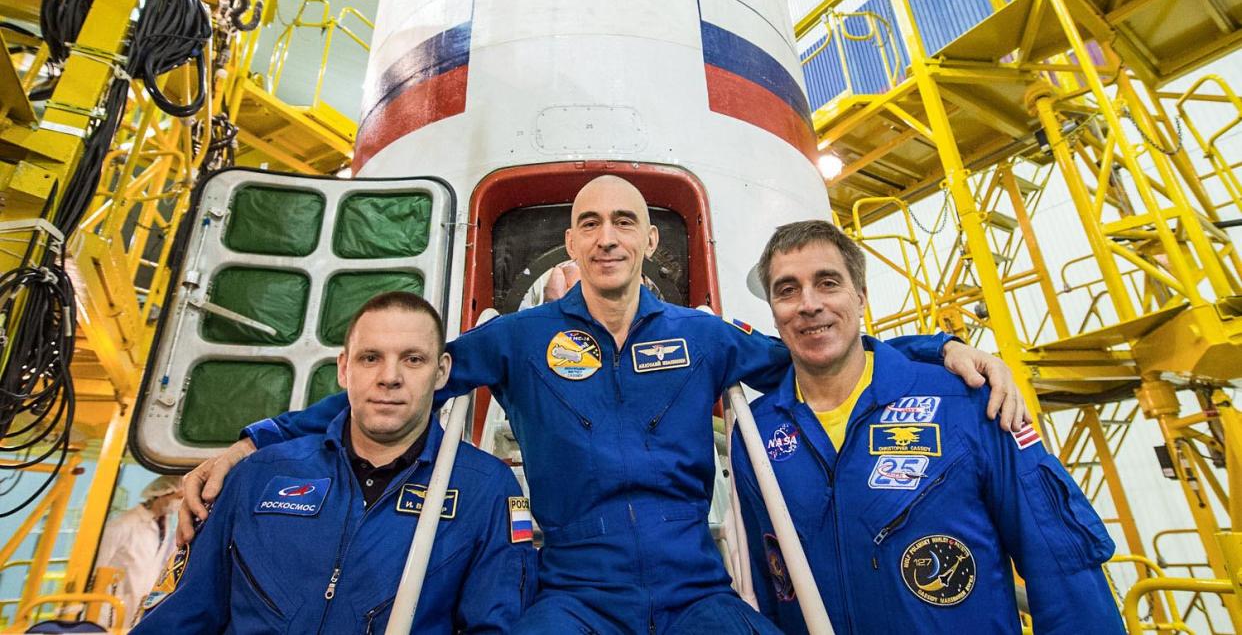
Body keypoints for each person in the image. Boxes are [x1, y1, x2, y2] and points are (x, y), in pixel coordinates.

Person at [179, 176, 1029, 634]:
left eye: (625, 220)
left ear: (650, 240)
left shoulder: (703, 338)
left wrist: (935, 350)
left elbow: (818, 348)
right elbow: (394, 391)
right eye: (591, 223)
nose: (608, 236)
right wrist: (256, 442)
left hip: (696, 587)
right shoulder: (517, 340)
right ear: (574, 241)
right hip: (574, 590)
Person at [732, 220, 1123, 634]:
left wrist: (941, 347)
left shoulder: (969, 403)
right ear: (774, 313)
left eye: (828, 283)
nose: (809, 304)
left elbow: (1061, 567)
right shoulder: (755, 434)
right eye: (787, 290)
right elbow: (766, 589)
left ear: (861, 297)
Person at [133, 292, 535, 633]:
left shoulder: (486, 490)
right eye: (370, 358)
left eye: (413, 359)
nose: (389, 377)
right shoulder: (259, 475)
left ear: (442, 371)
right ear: (344, 369)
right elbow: (181, 616)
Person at [93, 474, 182, 628]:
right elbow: (99, 567)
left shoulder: (165, 525)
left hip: (141, 605)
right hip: (112, 606)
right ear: (162, 494)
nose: (180, 504)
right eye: (179, 497)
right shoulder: (122, 525)